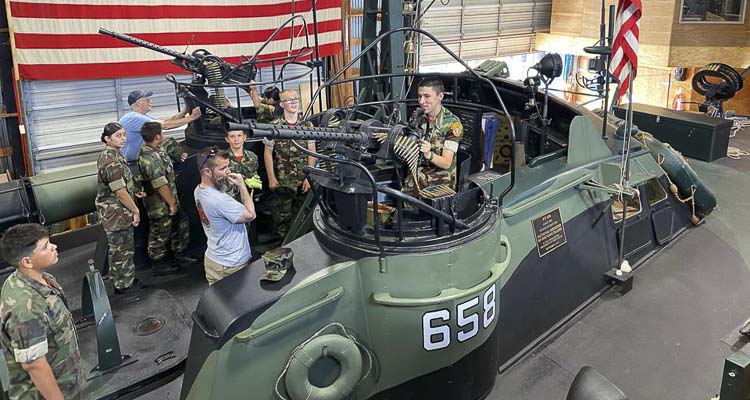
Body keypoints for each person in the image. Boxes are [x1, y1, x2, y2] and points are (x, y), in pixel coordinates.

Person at [0, 223, 84, 399]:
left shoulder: (40, 278)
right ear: (27, 261)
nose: (54, 247)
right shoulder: (26, 307)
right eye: (46, 247)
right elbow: (35, 365)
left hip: (65, 380)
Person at [137, 122, 196, 274]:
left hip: (171, 198)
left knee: (181, 223)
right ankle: (158, 263)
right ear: (157, 136)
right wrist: (171, 204)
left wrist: (178, 154)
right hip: (159, 204)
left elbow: (170, 143)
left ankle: (179, 253)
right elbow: (160, 185)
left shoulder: (158, 149)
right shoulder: (149, 158)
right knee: (160, 232)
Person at [95, 122, 147, 294]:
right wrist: (135, 210)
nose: (123, 138)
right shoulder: (111, 161)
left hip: (117, 210)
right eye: (118, 135)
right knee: (122, 250)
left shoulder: (115, 155)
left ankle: (124, 279)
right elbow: (119, 191)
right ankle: (124, 286)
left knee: (121, 248)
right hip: (116, 213)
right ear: (107, 139)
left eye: (124, 134)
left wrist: (135, 193)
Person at [194, 146, 256, 285]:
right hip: (231, 264)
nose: (228, 171)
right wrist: (242, 185)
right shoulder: (219, 200)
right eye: (222, 169)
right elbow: (250, 215)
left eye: (227, 166)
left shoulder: (198, 190)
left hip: (214, 259)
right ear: (207, 171)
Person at [263, 88, 316, 241]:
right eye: (289, 100)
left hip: (303, 180)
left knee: (303, 217)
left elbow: (311, 151)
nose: (293, 102)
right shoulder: (274, 126)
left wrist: (309, 176)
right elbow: (267, 153)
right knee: (283, 219)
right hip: (283, 181)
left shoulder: (307, 125)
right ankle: (284, 248)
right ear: (282, 104)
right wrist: (271, 178)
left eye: (295, 99)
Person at [404, 78, 463, 194]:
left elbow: (446, 163)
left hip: (439, 181)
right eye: (419, 96)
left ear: (440, 96)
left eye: (427, 96)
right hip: (417, 173)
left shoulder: (452, 124)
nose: (421, 101)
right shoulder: (419, 116)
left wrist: (428, 154)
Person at [119, 89, 201, 161]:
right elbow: (166, 126)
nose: (150, 101)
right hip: (133, 160)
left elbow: (166, 121)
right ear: (139, 102)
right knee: (168, 142)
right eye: (147, 99)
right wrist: (191, 118)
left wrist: (184, 112)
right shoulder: (133, 117)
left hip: (141, 155)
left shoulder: (142, 116)